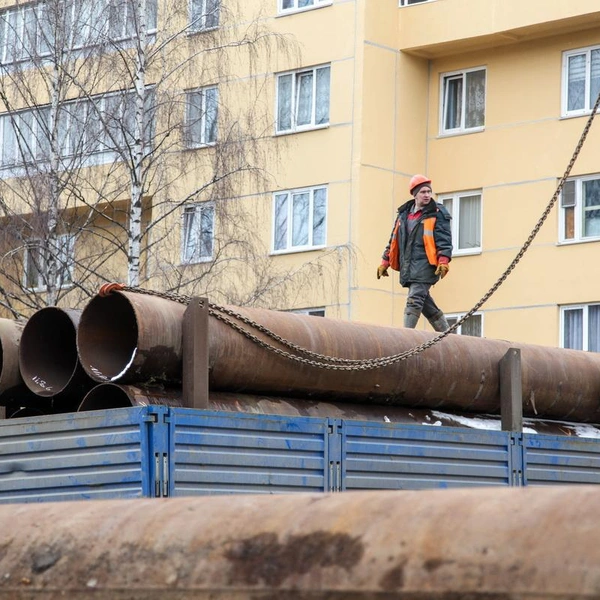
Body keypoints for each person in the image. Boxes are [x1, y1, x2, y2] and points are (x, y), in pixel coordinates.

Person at [377, 174, 453, 331]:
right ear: (414, 194)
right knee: (426, 304)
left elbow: (444, 239)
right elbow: (393, 240)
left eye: (429, 192)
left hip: (426, 264)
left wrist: (443, 260)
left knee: (414, 299)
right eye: (423, 192)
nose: (427, 195)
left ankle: (407, 335)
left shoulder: (437, 212)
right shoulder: (404, 214)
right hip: (409, 265)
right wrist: (385, 262)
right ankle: (447, 334)